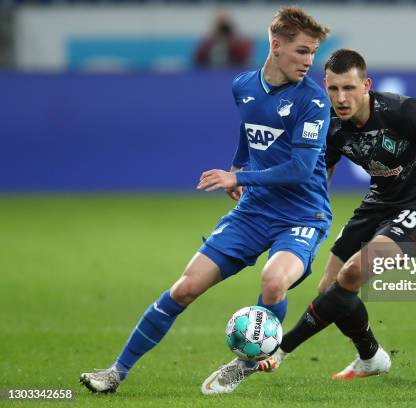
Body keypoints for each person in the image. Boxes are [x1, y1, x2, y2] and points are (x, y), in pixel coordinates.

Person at [79, 6, 331, 395]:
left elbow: (300, 169)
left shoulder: (312, 100)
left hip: (302, 214)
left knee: (273, 281)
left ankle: (248, 360)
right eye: (302, 51)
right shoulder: (244, 86)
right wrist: (238, 164)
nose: (309, 61)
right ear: (276, 46)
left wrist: (238, 175)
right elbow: (250, 131)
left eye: (313, 53)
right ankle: (115, 372)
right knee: (184, 288)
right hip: (255, 210)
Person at [220, 48, 416, 391]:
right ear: (325, 86)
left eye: (349, 88)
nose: (341, 98)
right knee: (329, 289)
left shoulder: (404, 111)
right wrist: (306, 216)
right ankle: (371, 356)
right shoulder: (331, 126)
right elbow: (320, 174)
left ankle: (280, 351)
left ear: (366, 85)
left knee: (352, 272)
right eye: (333, 89)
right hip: (378, 203)